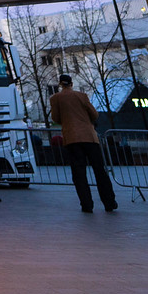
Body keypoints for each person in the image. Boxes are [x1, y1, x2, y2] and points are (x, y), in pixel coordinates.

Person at [50, 74, 116, 213]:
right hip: (89, 137)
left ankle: (87, 205)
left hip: (72, 138)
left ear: (60, 84)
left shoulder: (55, 98)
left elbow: (56, 118)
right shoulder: (82, 95)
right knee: (99, 171)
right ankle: (109, 202)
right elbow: (94, 114)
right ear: (71, 83)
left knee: (79, 174)